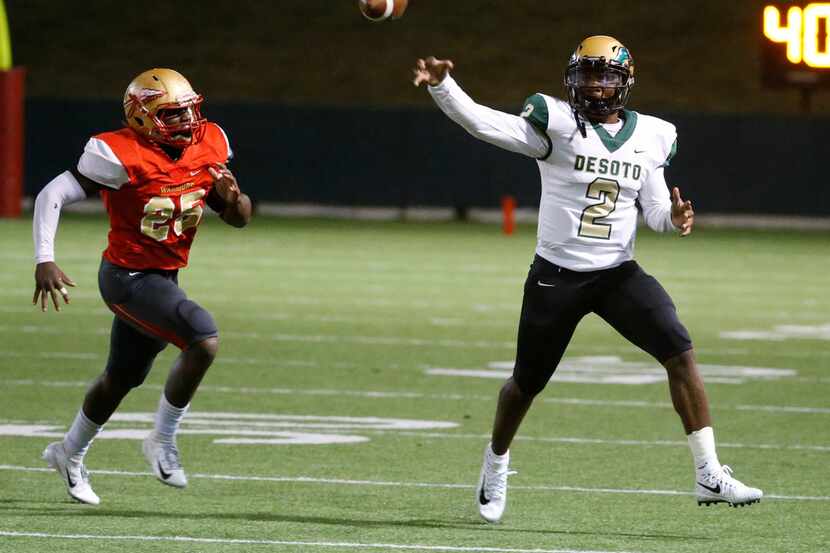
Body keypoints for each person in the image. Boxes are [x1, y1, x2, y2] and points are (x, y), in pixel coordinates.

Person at [412, 36, 762, 523]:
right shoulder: (555, 125)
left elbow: (656, 210)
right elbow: (483, 123)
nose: (596, 86)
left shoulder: (653, 135)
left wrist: (677, 217)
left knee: (680, 352)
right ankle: (496, 460)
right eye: (588, 75)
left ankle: (708, 471)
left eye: (606, 76)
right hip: (557, 276)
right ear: (572, 80)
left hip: (618, 274)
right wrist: (444, 86)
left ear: (624, 82)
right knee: (525, 384)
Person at [32, 68, 252, 505]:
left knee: (122, 377)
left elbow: (239, 218)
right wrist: (45, 259)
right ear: (141, 117)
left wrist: (233, 197)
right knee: (202, 337)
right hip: (126, 278)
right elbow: (51, 195)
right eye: (172, 114)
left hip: (163, 277)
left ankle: (68, 452)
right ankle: (162, 440)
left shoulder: (208, 142)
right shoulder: (117, 153)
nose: (187, 122)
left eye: (190, 110)